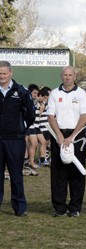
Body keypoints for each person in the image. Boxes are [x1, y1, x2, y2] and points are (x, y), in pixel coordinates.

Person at [47, 66, 86, 217]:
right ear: (61, 76)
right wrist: (59, 136)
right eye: (65, 75)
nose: (67, 77)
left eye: (70, 75)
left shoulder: (81, 94)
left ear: (74, 76)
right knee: (58, 172)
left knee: (76, 172)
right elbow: (50, 116)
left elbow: (85, 116)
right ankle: (59, 207)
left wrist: (71, 137)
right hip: (58, 134)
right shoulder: (54, 93)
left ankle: (74, 208)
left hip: (77, 135)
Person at [0, 60, 35, 216]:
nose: (1, 76)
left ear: (11, 73)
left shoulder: (21, 91)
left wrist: (22, 127)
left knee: (16, 175)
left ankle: (20, 208)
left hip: (15, 139)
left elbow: (31, 113)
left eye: (4, 73)